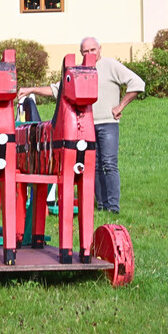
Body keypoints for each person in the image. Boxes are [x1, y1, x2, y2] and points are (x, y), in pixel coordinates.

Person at [19, 37, 145, 214]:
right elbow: (57, 90)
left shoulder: (111, 65)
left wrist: (121, 106)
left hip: (108, 123)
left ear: (100, 49)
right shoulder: (78, 70)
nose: (90, 54)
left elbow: (137, 83)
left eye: (93, 50)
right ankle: (101, 206)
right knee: (92, 165)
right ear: (81, 53)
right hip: (86, 126)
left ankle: (113, 207)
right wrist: (31, 90)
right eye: (85, 51)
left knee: (109, 163)